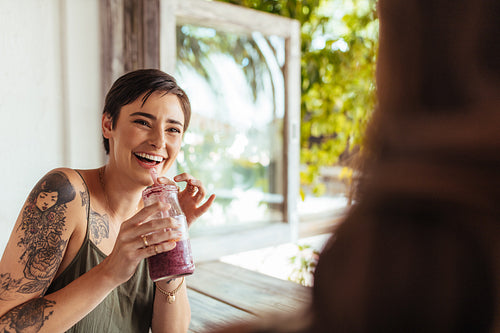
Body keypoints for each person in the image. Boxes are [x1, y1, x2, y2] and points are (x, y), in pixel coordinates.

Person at [0, 69, 216, 332]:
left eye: (173, 129)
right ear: (108, 125)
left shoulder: (156, 217)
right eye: (143, 122)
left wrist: (174, 244)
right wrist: (111, 270)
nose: (159, 141)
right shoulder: (65, 193)